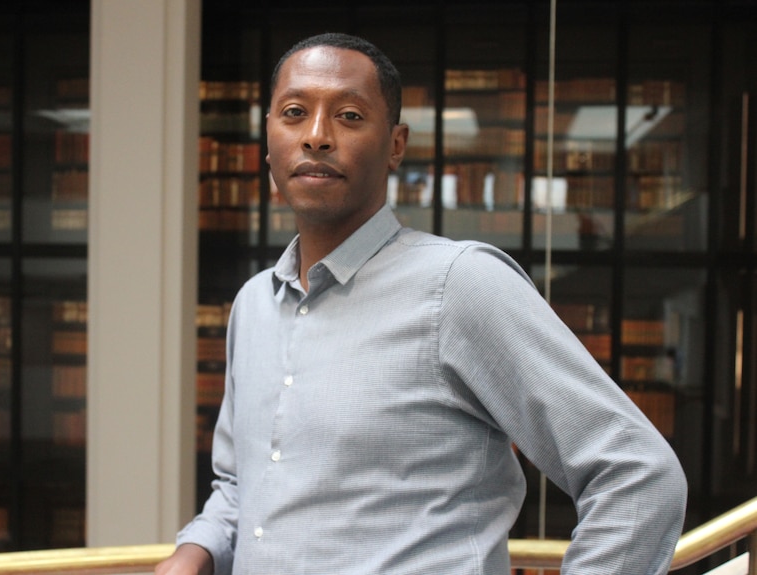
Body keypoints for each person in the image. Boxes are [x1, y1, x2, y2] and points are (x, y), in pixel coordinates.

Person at [156, 32, 687, 575]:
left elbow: (639, 476)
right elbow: (242, 486)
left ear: (396, 144)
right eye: (294, 112)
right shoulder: (254, 305)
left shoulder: (461, 286)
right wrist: (194, 553)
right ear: (268, 138)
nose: (316, 136)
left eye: (349, 116)